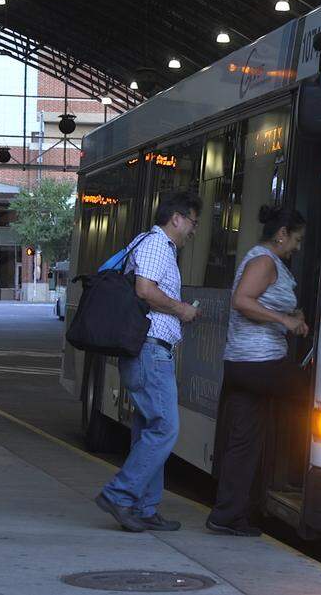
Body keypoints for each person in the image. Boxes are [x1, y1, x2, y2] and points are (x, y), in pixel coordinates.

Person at [95, 191, 203, 533]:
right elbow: (145, 289)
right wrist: (182, 309)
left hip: (149, 350)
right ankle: (120, 494)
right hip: (150, 350)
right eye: (193, 222)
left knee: (147, 430)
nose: (193, 231)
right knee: (165, 428)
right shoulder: (157, 245)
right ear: (177, 219)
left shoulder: (153, 243)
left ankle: (144, 507)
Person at [206, 206, 308, 536]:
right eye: (297, 239)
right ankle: (304, 472)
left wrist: (293, 314)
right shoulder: (264, 260)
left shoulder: (263, 259)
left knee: (244, 441)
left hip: (242, 363)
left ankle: (227, 515)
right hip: (260, 362)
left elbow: (262, 301)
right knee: (319, 394)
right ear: (282, 235)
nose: (298, 246)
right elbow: (243, 301)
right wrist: (286, 321)